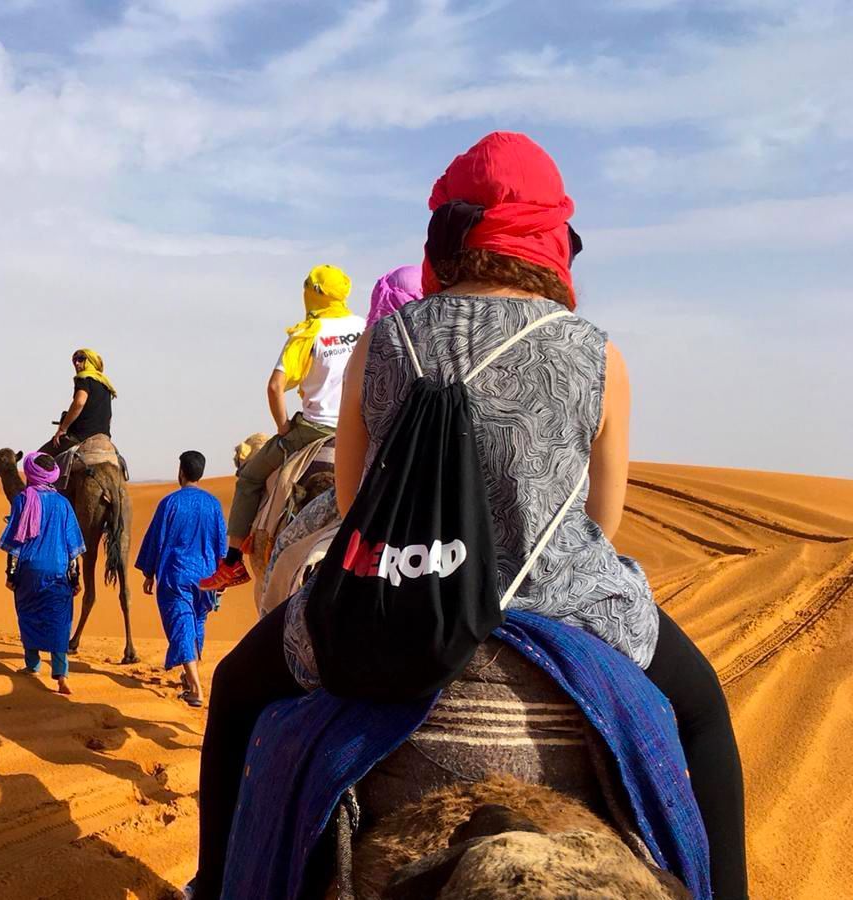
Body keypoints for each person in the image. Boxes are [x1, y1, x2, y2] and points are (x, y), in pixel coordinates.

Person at [191, 132, 747, 900]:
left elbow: (352, 506)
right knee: (704, 712)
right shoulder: (600, 354)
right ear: (552, 235)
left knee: (234, 690)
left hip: (399, 600)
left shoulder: (385, 341)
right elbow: (603, 522)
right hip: (567, 610)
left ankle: (216, 884)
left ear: (448, 233)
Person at [199, 264, 365, 590]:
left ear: (313, 294)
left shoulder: (309, 333)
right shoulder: (366, 326)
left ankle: (232, 562)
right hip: (361, 427)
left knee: (249, 479)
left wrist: (284, 426)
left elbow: (275, 387)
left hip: (315, 431)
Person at [135, 450, 227, 707]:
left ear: (181, 472)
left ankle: (196, 688)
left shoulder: (170, 503)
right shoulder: (213, 504)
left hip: (177, 574)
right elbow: (221, 544)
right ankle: (189, 677)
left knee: (182, 624)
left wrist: (149, 573)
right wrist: (222, 578)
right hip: (207, 575)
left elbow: (156, 539)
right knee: (197, 622)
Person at [0, 452, 86, 695]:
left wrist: (11, 574)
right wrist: (75, 578)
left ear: (30, 472)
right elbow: (72, 546)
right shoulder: (63, 504)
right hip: (58, 569)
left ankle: (32, 664)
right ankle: (61, 675)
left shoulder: (22, 500)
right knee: (60, 621)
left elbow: (15, 543)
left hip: (28, 570)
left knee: (28, 615)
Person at [40, 348, 116, 457]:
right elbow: (108, 417)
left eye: (81, 359)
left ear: (90, 361)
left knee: (36, 458)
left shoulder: (83, 379)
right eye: (74, 360)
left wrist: (62, 429)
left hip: (80, 436)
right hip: (104, 438)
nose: (76, 363)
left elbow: (79, 403)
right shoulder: (106, 385)